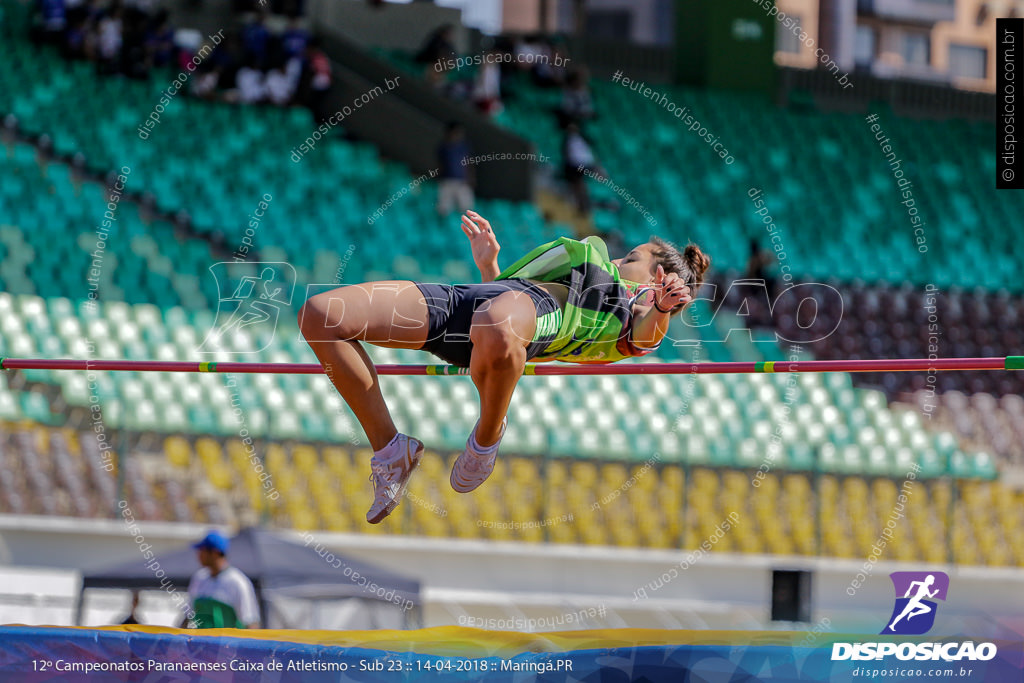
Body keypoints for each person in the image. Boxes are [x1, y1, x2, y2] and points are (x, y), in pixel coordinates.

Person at [298, 211, 710, 524]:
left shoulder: (628, 310)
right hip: (478, 302)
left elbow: (646, 335)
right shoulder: (582, 280)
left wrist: (661, 307)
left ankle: (486, 438)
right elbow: (508, 296)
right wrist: (489, 265)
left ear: (658, 275)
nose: (620, 258)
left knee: (497, 321)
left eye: (631, 257)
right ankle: (390, 449)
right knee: (322, 315)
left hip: (513, 320)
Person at [181, 531, 260, 629]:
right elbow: (188, 616)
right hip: (201, 643)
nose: (198, 555)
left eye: (202, 550)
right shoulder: (199, 578)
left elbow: (250, 622)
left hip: (229, 643)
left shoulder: (238, 582)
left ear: (215, 553)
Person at [436, 122, 474, 215]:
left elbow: (469, 164)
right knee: (443, 208)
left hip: (461, 181)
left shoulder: (464, 148)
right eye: (456, 132)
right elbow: (439, 165)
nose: (458, 135)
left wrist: (471, 178)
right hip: (447, 181)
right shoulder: (443, 148)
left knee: (467, 208)